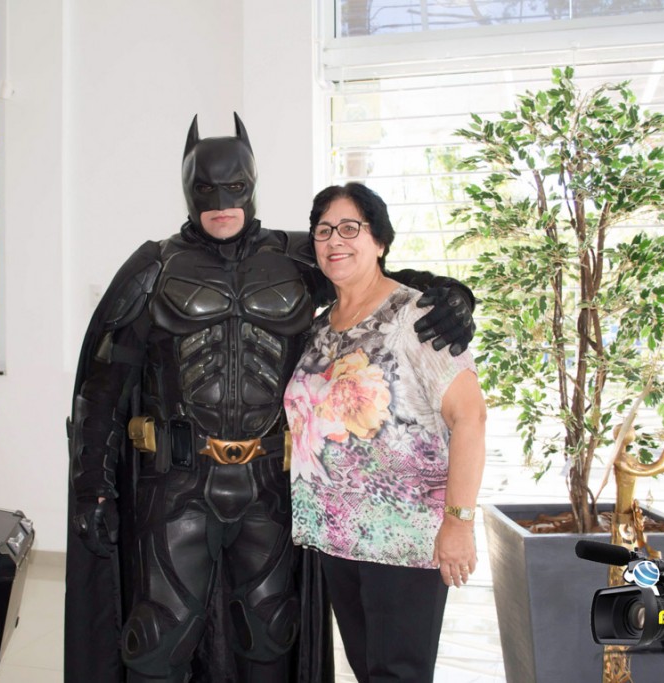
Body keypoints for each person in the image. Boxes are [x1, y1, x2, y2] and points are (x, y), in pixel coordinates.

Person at [66, 115, 476, 683]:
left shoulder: (298, 258)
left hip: (269, 485)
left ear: (252, 183)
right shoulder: (154, 267)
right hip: (178, 483)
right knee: (159, 634)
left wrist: (450, 294)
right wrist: (93, 487)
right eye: (206, 188)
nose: (221, 202)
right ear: (187, 189)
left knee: (271, 632)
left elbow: (374, 283)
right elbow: (103, 387)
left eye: (234, 186)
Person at [284, 182, 487, 683]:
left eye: (350, 227)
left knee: (398, 674)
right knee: (368, 670)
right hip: (338, 538)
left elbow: (471, 418)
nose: (335, 240)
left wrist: (459, 522)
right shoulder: (319, 328)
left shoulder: (416, 316)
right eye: (324, 230)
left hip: (405, 537)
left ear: (380, 240)